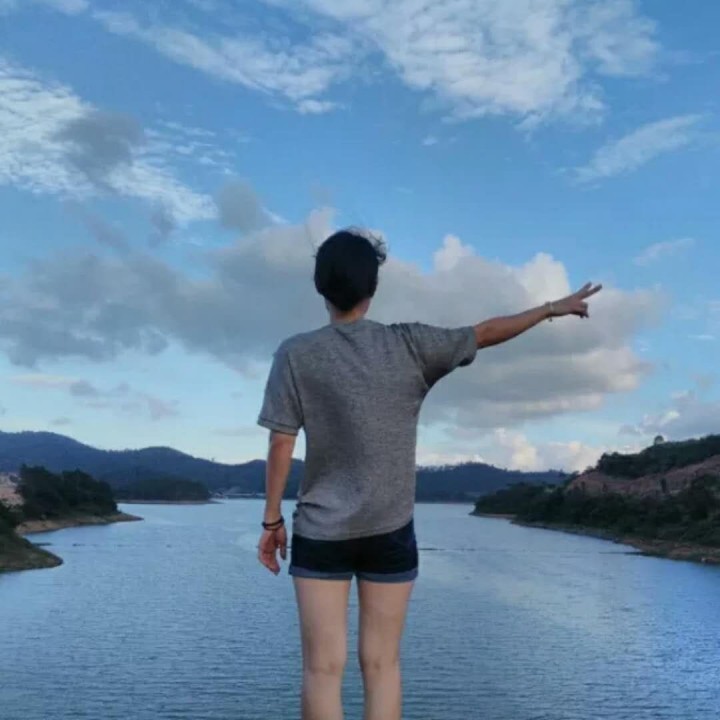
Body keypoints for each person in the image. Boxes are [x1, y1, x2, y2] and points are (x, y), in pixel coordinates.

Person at [256, 229, 601, 720]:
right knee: (382, 665)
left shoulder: (295, 354)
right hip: (390, 529)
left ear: (320, 287)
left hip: (321, 528)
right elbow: (485, 332)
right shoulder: (410, 345)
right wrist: (551, 308)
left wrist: (272, 521)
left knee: (321, 670)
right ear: (372, 288)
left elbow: (281, 442)